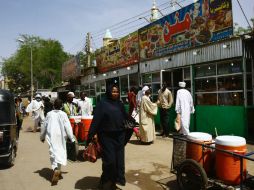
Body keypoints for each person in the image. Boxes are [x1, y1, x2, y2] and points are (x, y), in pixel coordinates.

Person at [88, 84, 128, 190]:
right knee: (109, 161)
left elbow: (126, 117)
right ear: (109, 92)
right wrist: (93, 133)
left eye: (117, 91)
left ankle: (111, 183)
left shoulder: (119, 104)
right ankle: (105, 181)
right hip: (106, 137)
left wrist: (135, 128)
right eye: (113, 91)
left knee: (118, 162)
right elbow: (96, 120)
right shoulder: (102, 104)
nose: (115, 93)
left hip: (119, 136)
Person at [40, 99, 75, 186]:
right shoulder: (63, 114)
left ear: (53, 105)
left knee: (53, 153)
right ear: (61, 106)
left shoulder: (49, 114)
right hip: (61, 137)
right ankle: (58, 171)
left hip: (51, 136)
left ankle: (55, 169)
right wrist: (71, 138)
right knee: (60, 152)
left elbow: (44, 126)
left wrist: (42, 137)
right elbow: (68, 126)